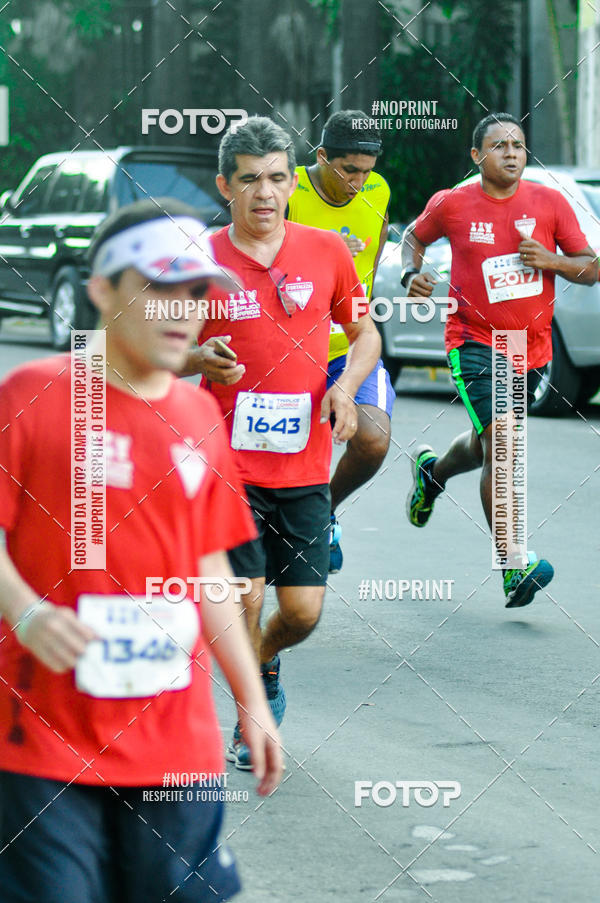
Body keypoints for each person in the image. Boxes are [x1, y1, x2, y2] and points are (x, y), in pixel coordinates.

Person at [0, 198, 282, 903]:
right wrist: (27, 613)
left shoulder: (197, 414)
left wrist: (251, 699)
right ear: (102, 289)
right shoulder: (32, 395)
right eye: (160, 287)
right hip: (45, 741)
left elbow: (209, 565)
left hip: (174, 745)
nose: (183, 309)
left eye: (197, 292)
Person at [182, 116, 381, 768]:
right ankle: (250, 715)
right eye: (249, 181)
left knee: (301, 612)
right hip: (226, 467)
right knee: (243, 594)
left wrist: (347, 386)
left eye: (275, 178)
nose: (264, 193)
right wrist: (195, 359)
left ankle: (263, 661)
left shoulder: (327, 249)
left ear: (290, 180)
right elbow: (152, 352)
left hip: (303, 466)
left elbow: (366, 333)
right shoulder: (200, 260)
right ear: (225, 186)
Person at [401, 112, 598, 608]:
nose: (512, 153)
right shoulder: (453, 204)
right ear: (476, 155)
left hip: (528, 349)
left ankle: (433, 474)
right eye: (500, 145)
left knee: (487, 442)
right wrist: (410, 275)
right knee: (504, 447)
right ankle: (514, 564)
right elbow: (413, 239)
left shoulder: (550, 203)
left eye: (518, 144)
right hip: (474, 341)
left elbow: (591, 268)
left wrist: (551, 261)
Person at [287, 110, 395, 572]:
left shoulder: (379, 190)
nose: (358, 181)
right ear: (322, 156)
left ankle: (321, 513)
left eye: (366, 171)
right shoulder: (284, 187)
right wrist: (318, 254)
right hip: (285, 351)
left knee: (373, 439)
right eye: (348, 169)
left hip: (345, 346)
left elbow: (377, 246)